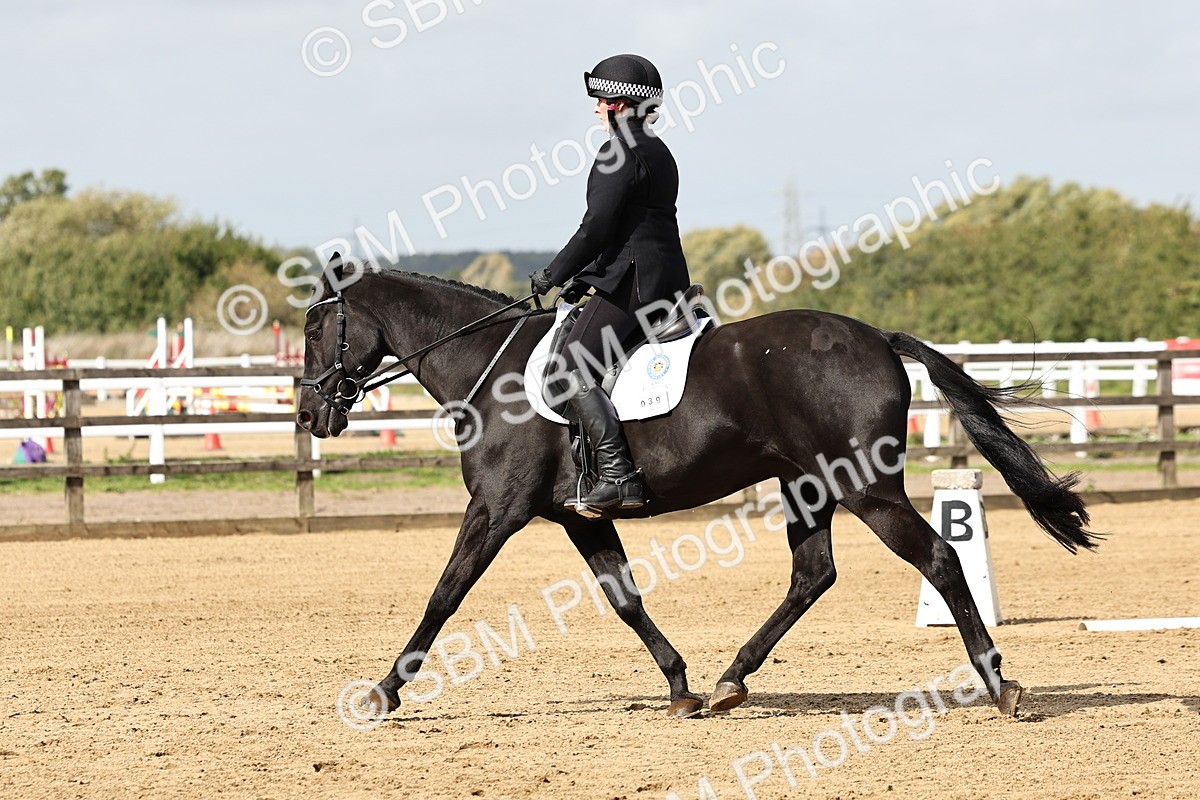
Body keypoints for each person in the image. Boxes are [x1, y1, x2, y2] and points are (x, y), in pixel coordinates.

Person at [531, 53, 692, 513]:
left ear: (618, 105)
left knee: (568, 368)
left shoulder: (616, 152)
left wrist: (554, 274)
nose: (596, 109)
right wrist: (585, 279)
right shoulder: (659, 150)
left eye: (600, 101)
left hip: (634, 285)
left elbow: (596, 228)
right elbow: (631, 229)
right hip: (667, 279)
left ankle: (618, 474)